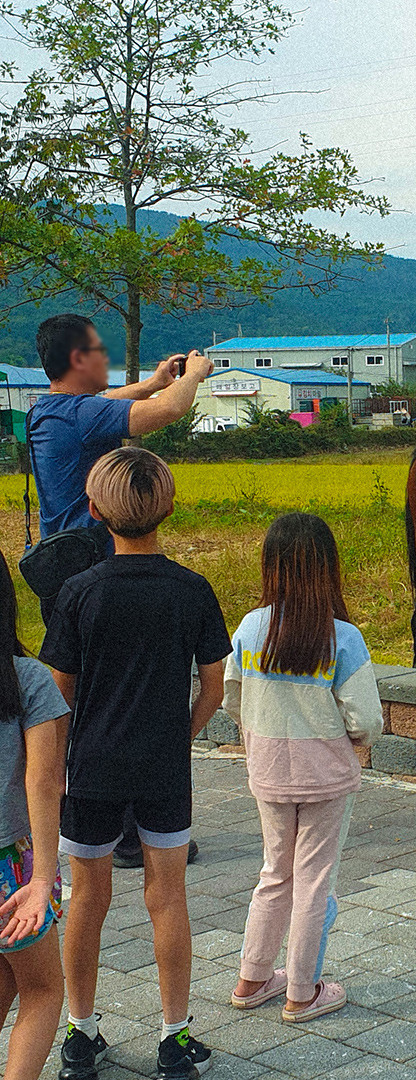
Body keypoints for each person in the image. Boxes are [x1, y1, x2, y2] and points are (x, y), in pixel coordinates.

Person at [39, 447, 231, 1080]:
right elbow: (213, 689)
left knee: (85, 899)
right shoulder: (193, 591)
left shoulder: (76, 592)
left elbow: (57, 694)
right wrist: (180, 736)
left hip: (88, 769)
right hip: (163, 769)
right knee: (167, 898)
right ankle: (174, 1038)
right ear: (168, 509)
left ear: (94, 511)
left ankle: (79, 1032)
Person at [29, 314, 212, 869]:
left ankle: (87, 817)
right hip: (104, 577)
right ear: (78, 360)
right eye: (98, 350)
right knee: (122, 694)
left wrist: (155, 380)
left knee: (83, 691)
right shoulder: (82, 414)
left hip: (65, 576)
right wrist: (194, 377)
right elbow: (168, 413)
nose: (106, 358)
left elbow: (115, 399)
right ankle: (132, 833)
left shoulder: (49, 409)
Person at [226, 514, 383, 1024]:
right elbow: (366, 717)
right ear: (327, 569)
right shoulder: (342, 637)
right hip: (326, 776)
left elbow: (233, 697)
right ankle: (302, 990)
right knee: (315, 880)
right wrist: (352, 738)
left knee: (275, 872)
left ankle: (252, 978)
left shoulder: (251, 627)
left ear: (271, 566)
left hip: (268, 770)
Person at [0, 553, 70, 1080]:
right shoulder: (27, 680)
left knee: (5, 983)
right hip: (14, 866)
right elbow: (43, 781)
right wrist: (43, 876)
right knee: (44, 991)